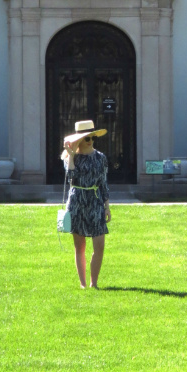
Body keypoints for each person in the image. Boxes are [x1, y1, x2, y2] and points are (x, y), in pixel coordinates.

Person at [61, 119, 112, 289]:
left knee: (100, 245)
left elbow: (103, 183)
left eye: (92, 138)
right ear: (79, 140)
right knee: (80, 246)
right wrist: (71, 156)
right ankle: (83, 284)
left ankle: (94, 283)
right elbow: (70, 179)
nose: (91, 141)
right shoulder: (70, 157)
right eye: (87, 138)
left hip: (95, 201)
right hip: (77, 201)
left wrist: (107, 206)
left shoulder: (100, 158)